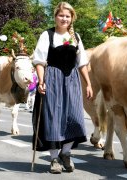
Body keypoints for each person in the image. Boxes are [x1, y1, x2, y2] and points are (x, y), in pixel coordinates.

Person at [32, 2, 93, 174]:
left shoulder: (76, 37)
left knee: (74, 117)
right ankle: (53, 159)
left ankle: (66, 153)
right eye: (61, 15)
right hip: (53, 80)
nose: (64, 18)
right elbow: (39, 61)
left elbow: (81, 64)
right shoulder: (47, 35)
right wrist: (41, 81)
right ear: (55, 17)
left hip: (72, 80)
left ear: (72, 18)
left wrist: (88, 83)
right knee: (54, 118)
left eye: (67, 16)